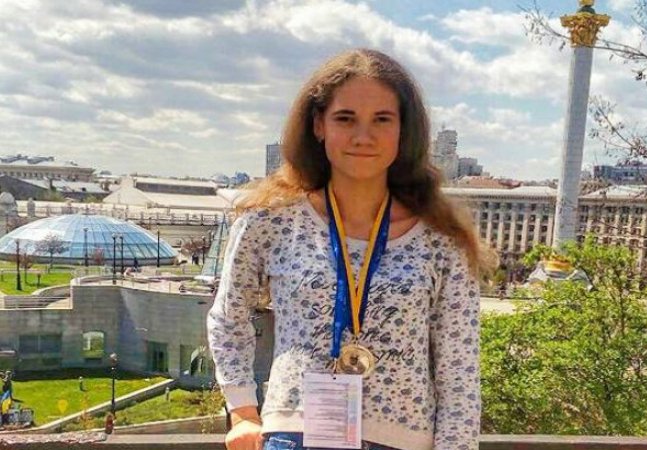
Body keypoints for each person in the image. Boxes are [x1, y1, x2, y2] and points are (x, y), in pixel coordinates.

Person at [207, 49, 492, 450]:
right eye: (345, 118)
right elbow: (228, 318)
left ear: (403, 130)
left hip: (402, 441)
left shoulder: (442, 241)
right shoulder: (269, 223)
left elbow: (458, 369)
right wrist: (242, 412)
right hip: (295, 435)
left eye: (382, 119)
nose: (363, 136)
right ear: (318, 125)